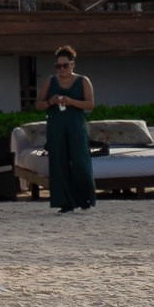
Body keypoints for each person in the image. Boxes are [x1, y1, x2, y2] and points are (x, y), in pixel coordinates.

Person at [41, 46, 96, 212]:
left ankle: (85, 198)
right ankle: (65, 202)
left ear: (72, 64)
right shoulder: (50, 81)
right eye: (58, 66)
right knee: (59, 161)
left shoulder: (83, 81)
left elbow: (90, 105)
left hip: (76, 124)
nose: (61, 69)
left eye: (65, 65)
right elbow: (38, 104)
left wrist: (71, 101)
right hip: (56, 124)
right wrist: (51, 102)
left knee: (80, 161)